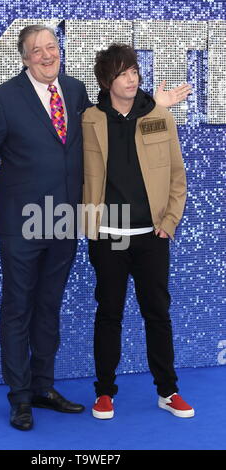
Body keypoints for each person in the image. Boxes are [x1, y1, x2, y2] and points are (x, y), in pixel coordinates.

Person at [0, 25, 192, 431]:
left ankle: (44, 388)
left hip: (66, 218)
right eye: (37, 50)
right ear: (24, 57)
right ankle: (20, 397)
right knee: (18, 308)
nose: (47, 55)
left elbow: (121, 121)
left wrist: (160, 104)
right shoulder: (5, 98)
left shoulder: (77, 90)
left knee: (48, 306)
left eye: (52, 47)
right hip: (22, 221)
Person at [82, 43, 195, 419]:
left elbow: (177, 176)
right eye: (122, 74)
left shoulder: (159, 115)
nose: (130, 80)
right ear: (107, 80)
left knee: (158, 314)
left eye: (134, 72)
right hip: (108, 235)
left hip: (152, 236)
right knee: (109, 314)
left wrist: (169, 224)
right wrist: (88, 227)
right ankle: (104, 393)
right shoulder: (91, 119)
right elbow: (78, 175)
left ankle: (168, 391)